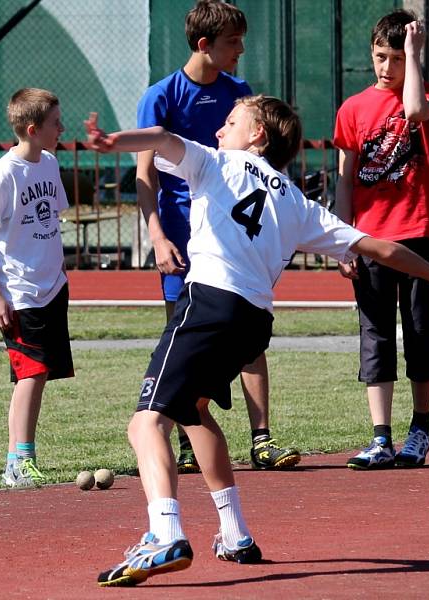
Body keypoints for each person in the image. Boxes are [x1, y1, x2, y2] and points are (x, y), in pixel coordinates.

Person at [85, 96, 429, 586]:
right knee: (193, 411)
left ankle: (164, 533)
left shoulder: (215, 162)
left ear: (258, 134)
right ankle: (236, 532)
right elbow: (381, 247)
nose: (220, 130)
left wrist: (113, 143)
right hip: (253, 321)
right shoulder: (298, 201)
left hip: (210, 303)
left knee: (145, 423)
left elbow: (158, 138)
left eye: (231, 122)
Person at [136, 0, 299, 473]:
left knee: (248, 338)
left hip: (232, 236)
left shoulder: (239, 93)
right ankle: (189, 442)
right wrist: (157, 235)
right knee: (182, 336)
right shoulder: (162, 96)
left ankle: (262, 438)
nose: (241, 50)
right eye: (233, 42)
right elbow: (146, 173)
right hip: (182, 235)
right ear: (205, 45)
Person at [332, 9, 429, 469]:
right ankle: (380, 436)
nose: (387, 67)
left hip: (419, 231)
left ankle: (420, 428)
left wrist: (416, 58)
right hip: (371, 239)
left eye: (397, 58)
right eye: (380, 56)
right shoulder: (353, 108)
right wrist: (342, 239)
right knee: (376, 334)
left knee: (419, 332)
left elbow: (418, 111)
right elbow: (345, 181)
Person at [0, 88, 74, 487]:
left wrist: (59, 270)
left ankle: (20, 456)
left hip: (51, 288)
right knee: (30, 373)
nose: (61, 128)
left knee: (41, 374)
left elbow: (49, 222)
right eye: (55, 123)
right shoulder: (2, 175)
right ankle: (17, 461)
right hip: (19, 293)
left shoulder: (48, 162)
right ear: (32, 129)